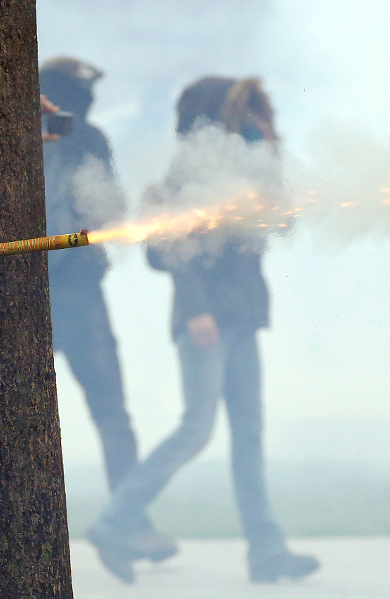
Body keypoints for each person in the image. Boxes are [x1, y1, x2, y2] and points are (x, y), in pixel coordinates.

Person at [87, 75, 320, 584]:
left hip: (241, 314)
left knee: (249, 434)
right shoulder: (184, 174)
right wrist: (196, 309)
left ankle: (267, 551)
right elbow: (167, 245)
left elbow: (272, 224)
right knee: (196, 428)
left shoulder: (241, 169)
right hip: (206, 318)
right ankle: (113, 522)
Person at [39, 57, 176, 583]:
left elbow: (110, 206)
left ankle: (130, 523)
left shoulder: (88, 138)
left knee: (112, 411)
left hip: (77, 288)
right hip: (31, 291)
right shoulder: (20, 138)